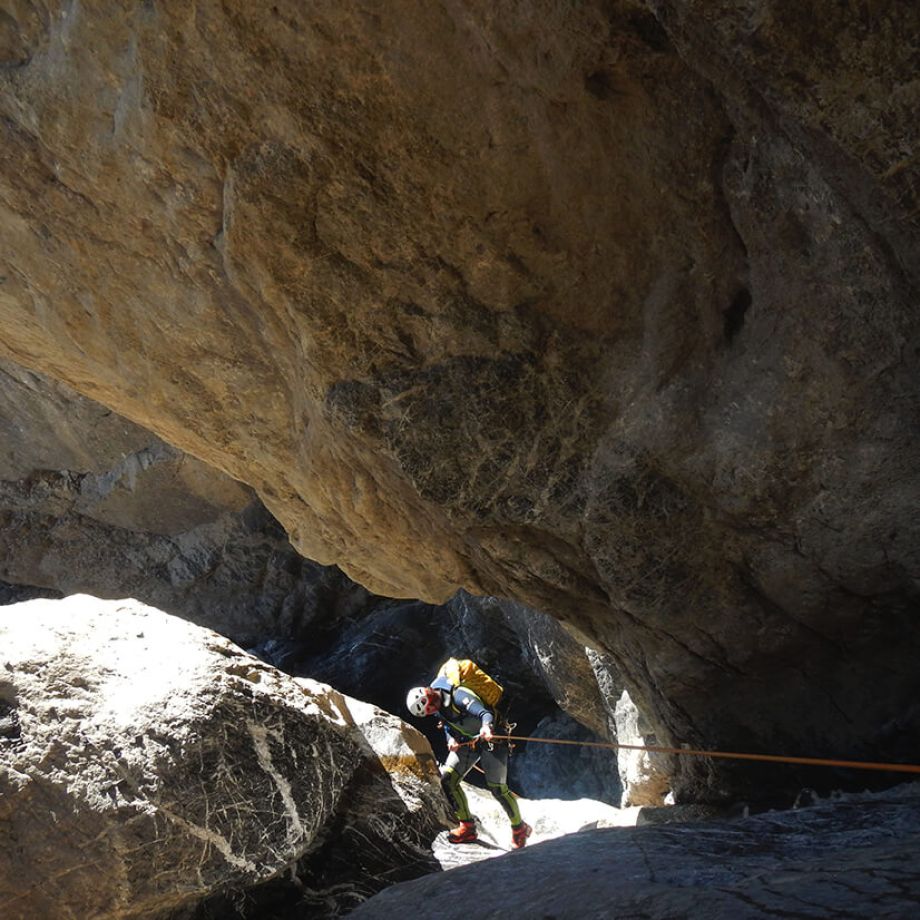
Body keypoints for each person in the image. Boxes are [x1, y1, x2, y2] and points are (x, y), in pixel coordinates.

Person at [406, 677, 532, 848]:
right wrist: (451, 739)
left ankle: (520, 829)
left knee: (498, 789)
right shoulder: (437, 704)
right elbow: (447, 725)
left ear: (428, 697)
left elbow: (484, 713)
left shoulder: (458, 696)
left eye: (429, 707)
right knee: (448, 780)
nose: (431, 711)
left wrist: (486, 727)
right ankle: (467, 827)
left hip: (492, 739)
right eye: (427, 711)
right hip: (468, 741)